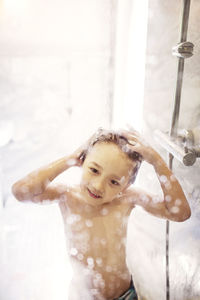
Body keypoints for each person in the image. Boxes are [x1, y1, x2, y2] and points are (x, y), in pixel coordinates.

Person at [11, 128, 191, 300]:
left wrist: (157, 162)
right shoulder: (67, 196)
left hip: (124, 294)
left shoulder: (127, 198)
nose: (98, 186)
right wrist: (69, 159)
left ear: (126, 185)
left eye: (114, 182)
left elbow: (180, 213)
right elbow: (21, 192)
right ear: (82, 161)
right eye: (94, 170)